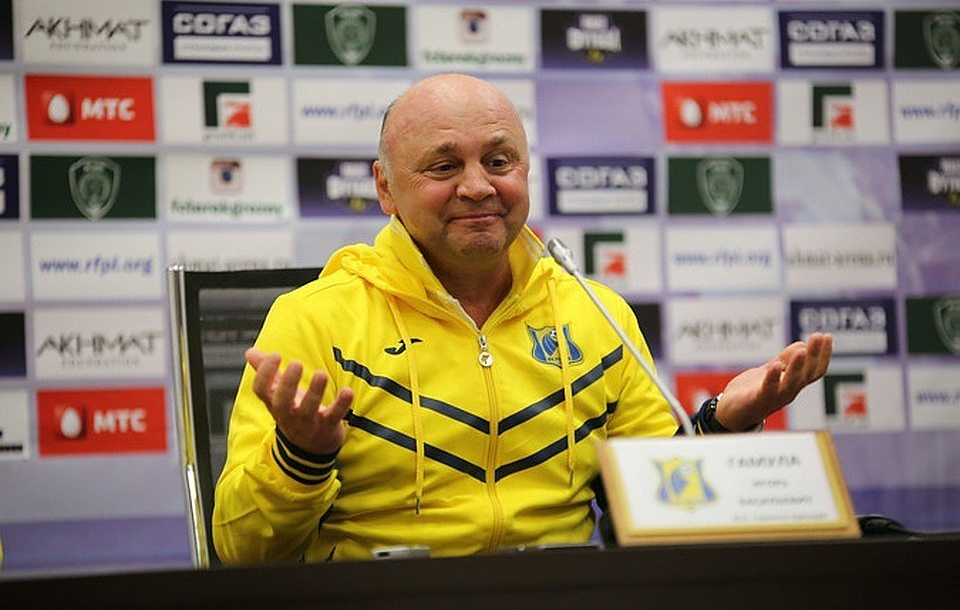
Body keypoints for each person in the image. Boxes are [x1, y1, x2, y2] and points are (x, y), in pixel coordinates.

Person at [213, 73, 832, 564]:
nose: (478, 187)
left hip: (558, 608)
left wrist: (722, 424)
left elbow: (658, 507)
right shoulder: (314, 320)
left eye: (499, 161)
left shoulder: (594, 312)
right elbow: (242, 551)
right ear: (385, 187)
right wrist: (301, 456)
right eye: (444, 166)